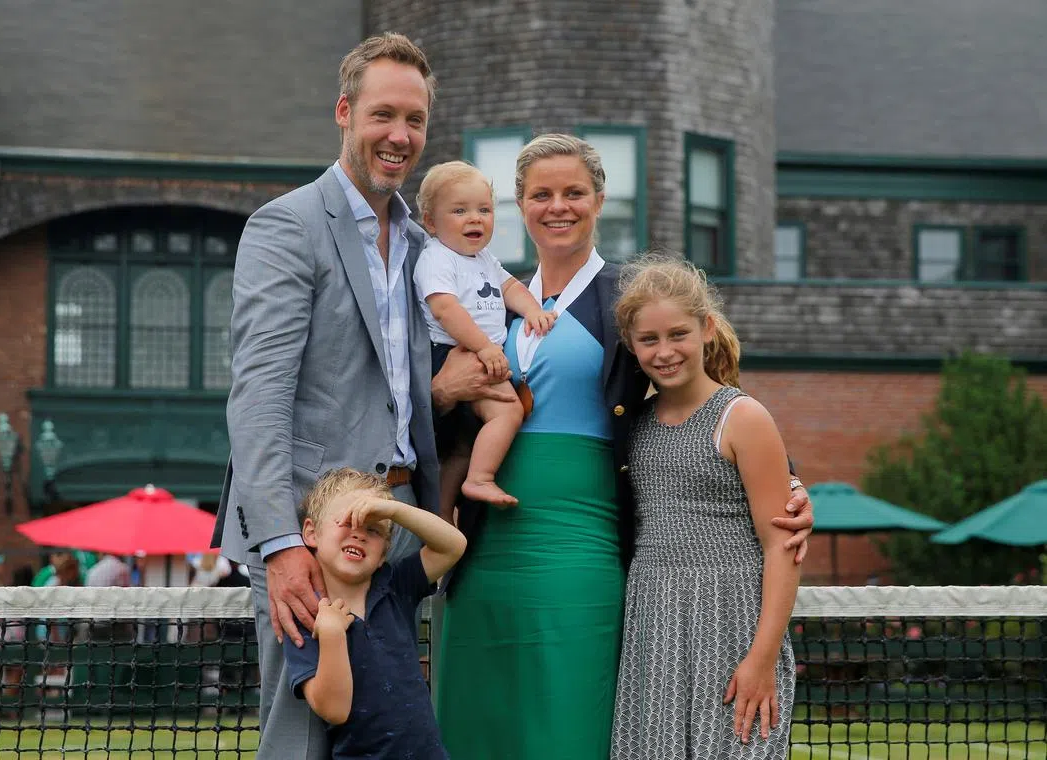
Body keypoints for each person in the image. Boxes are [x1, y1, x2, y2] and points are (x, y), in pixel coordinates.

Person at [434, 134, 815, 760]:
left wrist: (791, 486)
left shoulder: (629, 299)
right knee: (476, 729)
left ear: (600, 200)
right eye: (541, 194)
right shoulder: (481, 293)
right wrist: (440, 393)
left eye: (574, 192)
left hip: (583, 543)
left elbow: (706, 386)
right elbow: (431, 414)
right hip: (481, 550)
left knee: (571, 727)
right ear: (520, 207)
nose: (558, 207)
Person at [210, 33, 507, 760]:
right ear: (344, 112)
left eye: (414, 120)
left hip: (401, 525)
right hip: (313, 534)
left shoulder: (419, 242)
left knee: (389, 732)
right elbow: (260, 396)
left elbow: (382, 393)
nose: (399, 135)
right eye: (382, 115)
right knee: (307, 739)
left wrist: (440, 395)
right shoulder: (286, 226)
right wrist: (281, 545)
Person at [610, 256, 799, 758]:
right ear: (631, 345)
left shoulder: (743, 416)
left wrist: (761, 659)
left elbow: (782, 543)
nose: (665, 351)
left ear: (707, 329)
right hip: (653, 625)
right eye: (649, 340)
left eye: (678, 334)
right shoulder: (633, 425)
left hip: (732, 624)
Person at [283, 468, 465, 760]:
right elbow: (334, 710)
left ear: (383, 555)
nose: (359, 533)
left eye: (373, 529)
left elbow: (454, 546)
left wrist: (393, 510)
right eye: (346, 521)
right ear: (311, 533)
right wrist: (331, 634)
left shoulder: (396, 586)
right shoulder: (305, 614)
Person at [413, 160, 556, 512]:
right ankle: (481, 478)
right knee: (507, 412)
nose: (475, 218)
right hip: (452, 353)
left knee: (460, 448)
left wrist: (533, 310)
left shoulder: (483, 258)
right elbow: (445, 310)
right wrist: (485, 349)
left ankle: (444, 515)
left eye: (484, 209)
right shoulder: (437, 258)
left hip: (477, 353)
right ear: (431, 222)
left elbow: (509, 286)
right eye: (459, 210)